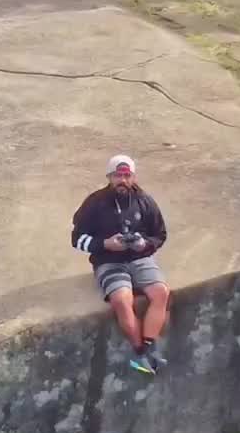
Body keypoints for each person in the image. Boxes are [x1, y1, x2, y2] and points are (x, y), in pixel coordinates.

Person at [71, 155, 171, 375]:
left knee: (161, 292)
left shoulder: (145, 201)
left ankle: (148, 346)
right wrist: (105, 244)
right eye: (118, 175)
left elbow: (160, 235)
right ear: (109, 177)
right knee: (122, 299)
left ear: (134, 177)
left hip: (139, 258)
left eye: (127, 176)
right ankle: (139, 352)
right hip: (108, 260)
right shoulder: (94, 203)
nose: (122, 180)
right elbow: (77, 239)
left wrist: (144, 244)